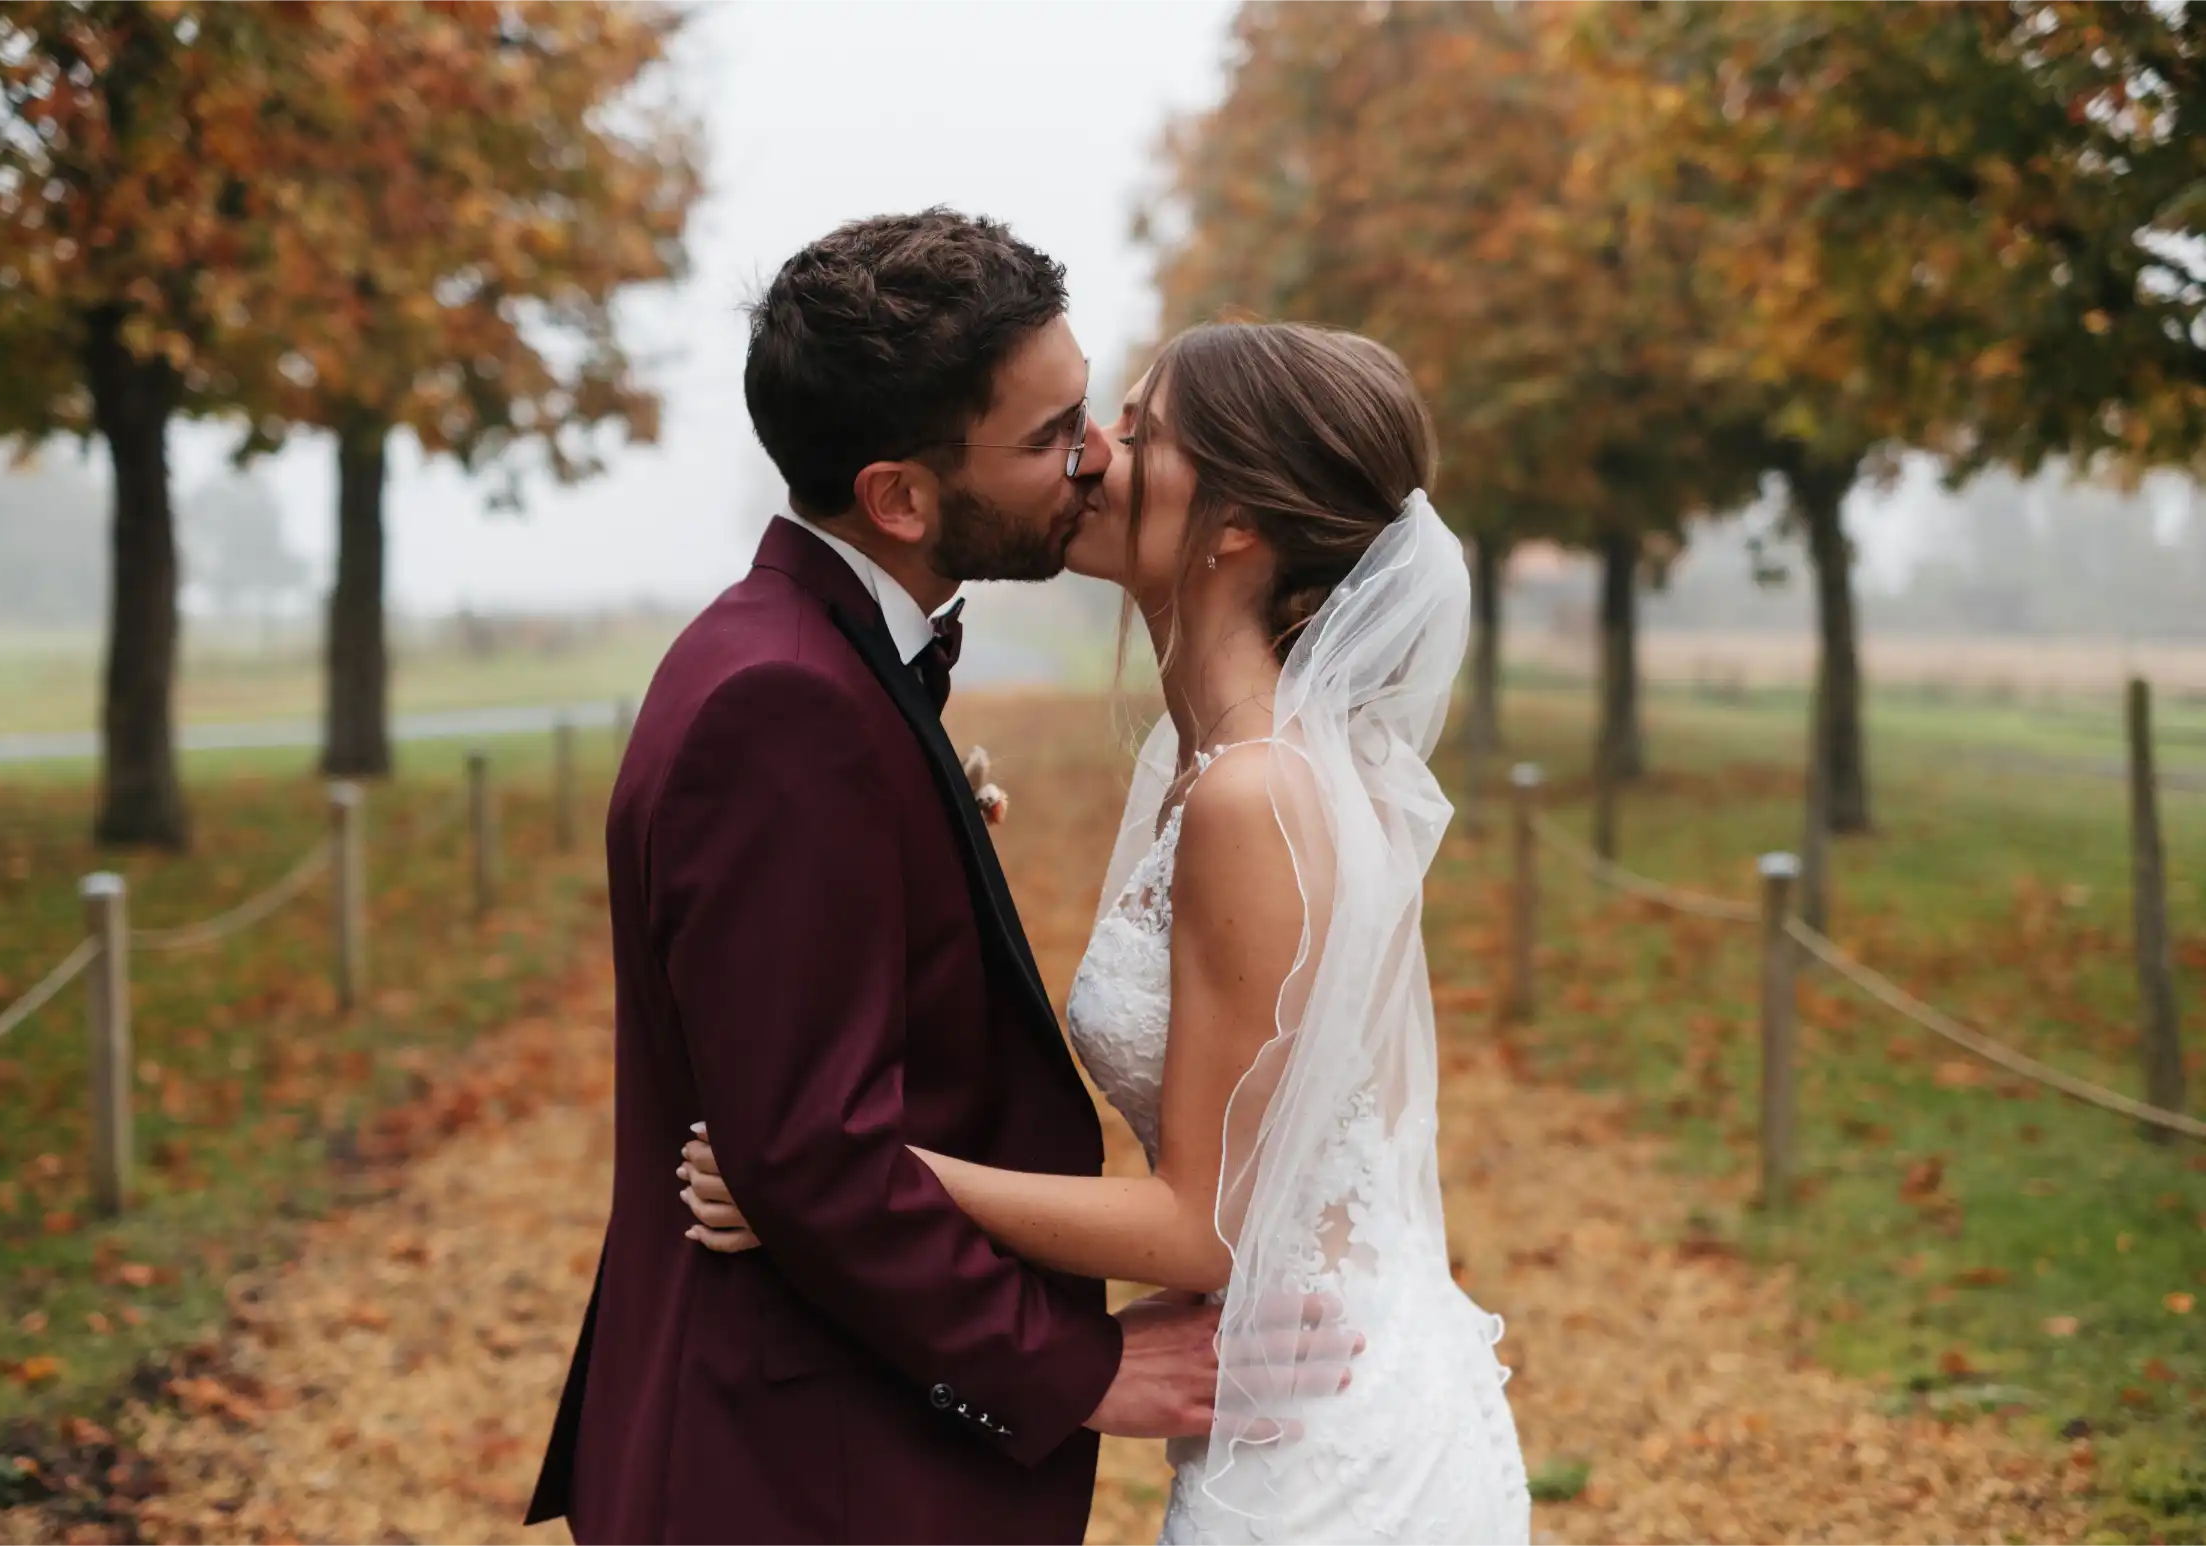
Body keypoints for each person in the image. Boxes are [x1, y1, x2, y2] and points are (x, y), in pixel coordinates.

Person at [682, 320, 1533, 1543]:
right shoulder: (1218, 759)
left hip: (1330, 1437)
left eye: (1138, 431)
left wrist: (834, 1181)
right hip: (1285, 1388)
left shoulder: (1253, 793)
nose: (1088, 449)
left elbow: (1202, 1224)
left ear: (1235, 524)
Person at [524, 209, 1257, 1546]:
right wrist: (1075, 1367)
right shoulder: (783, 707)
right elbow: (808, 1155)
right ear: (900, 498)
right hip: (800, 1472)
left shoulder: (797, 656)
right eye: (1049, 434)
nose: (1094, 456)